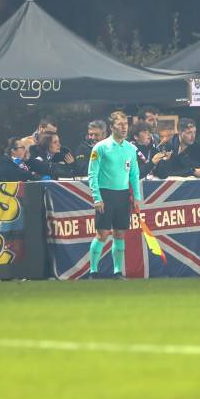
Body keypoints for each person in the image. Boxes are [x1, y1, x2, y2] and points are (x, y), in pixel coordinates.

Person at [87, 111, 142, 279]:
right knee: (102, 234)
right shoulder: (100, 147)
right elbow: (92, 174)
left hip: (123, 195)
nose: (124, 127)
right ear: (111, 127)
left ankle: (117, 271)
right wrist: (97, 197)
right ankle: (93, 271)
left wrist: (137, 197)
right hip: (105, 195)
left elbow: (134, 174)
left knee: (120, 233)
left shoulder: (131, 148)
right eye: (120, 124)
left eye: (126, 124)